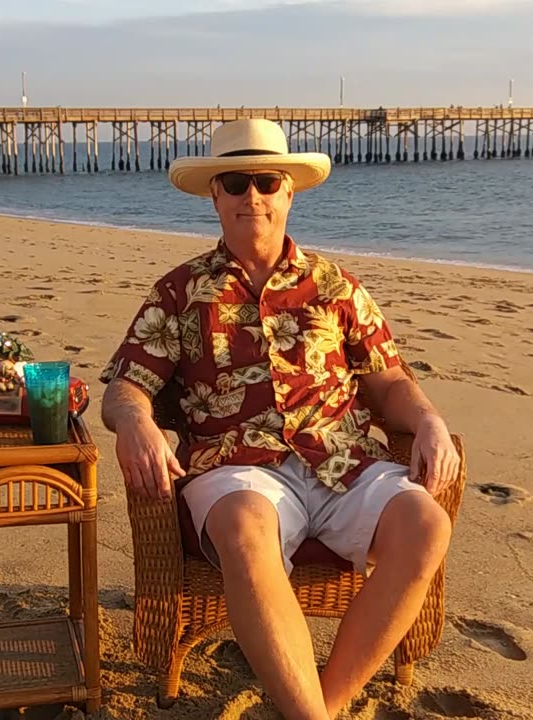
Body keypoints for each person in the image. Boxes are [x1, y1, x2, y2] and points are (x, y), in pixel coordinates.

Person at [99, 118, 459, 719]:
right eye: (236, 182)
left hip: (341, 460)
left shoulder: (334, 285)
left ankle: (324, 705)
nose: (252, 196)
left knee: (426, 525)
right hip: (236, 468)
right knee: (244, 525)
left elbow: (390, 381)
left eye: (266, 181)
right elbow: (126, 388)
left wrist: (428, 421)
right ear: (215, 195)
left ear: (289, 191)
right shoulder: (180, 291)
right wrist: (134, 422)